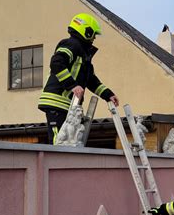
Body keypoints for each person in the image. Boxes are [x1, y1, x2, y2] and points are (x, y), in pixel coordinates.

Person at [38, 13, 119, 144]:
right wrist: (72, 85)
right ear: (86, 31)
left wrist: (108, 94)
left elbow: (91, 80)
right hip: (57, 102)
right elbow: (57, 63)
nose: (94, 38)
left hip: (69, 105)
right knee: (59, 140)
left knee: (70, 139)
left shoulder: (84, 55)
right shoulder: (71, 44)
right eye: (93, 34)